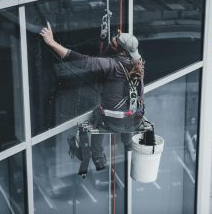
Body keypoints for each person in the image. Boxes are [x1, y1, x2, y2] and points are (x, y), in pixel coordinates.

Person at [40, 22, 147, 171]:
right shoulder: (138, 64)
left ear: (120, 50)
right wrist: (111, 44)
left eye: (115, 40)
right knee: (127, 109)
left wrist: (52, 43)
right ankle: (128, 143)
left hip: (114, 122)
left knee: (98, 113)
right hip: (135, 120)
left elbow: (82, 61)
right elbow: (107, 58)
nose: (113, 40)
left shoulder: (111, 65)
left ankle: (98, 157)